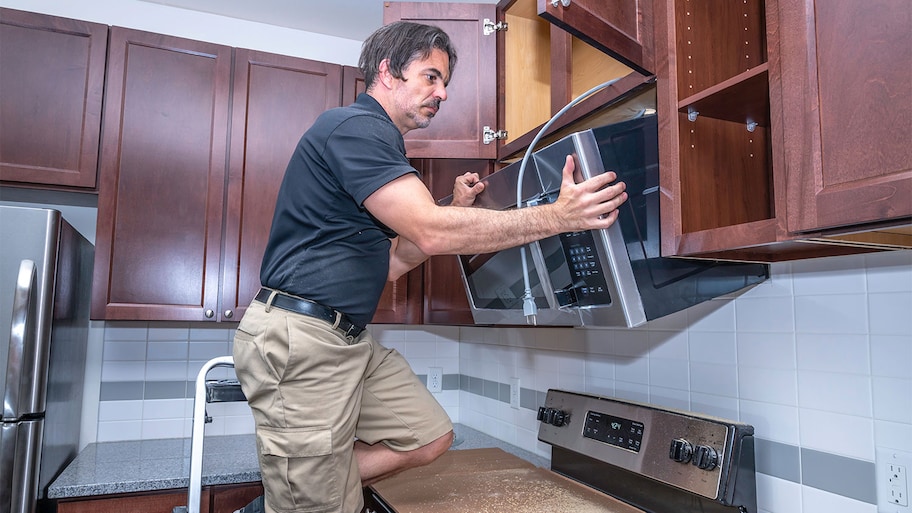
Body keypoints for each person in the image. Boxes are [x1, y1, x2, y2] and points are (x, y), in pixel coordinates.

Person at [232, 21, 628, 513]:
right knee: (315, 507)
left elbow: (395, 261)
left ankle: (306, 487)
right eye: (431, 77)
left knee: (428, 436)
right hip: (302, 336)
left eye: (445, 84)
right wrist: (558, 217)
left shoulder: (380, 144)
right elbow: (431, 232)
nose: (442, 94)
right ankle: (301, 494)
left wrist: (450, 210)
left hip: (345, 338)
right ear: (388, 71)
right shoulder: (356, 127)